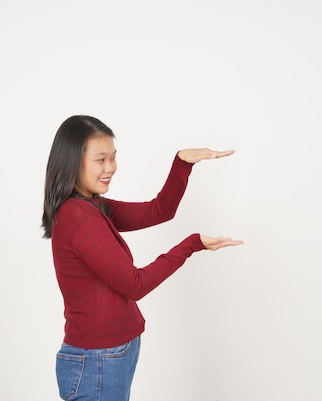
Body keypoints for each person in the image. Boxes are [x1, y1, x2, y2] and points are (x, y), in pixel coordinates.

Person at [41, 115, 243, 401]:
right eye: (100, 160)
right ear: (73, 161)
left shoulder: (91, 205)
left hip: (106, 356)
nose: (110, 167)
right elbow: (135, 284)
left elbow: (158, 211)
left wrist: (182, 163)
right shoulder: (79, 216)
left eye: (113, 157)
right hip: (99, 361)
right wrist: (190, 244)